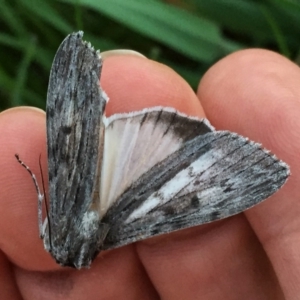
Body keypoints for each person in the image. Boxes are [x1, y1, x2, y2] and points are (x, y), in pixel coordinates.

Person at [0, 48, 297, 299]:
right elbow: (45, 212)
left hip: (117, 198)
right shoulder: (79, 227)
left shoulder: (81, 228)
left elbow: (46, 209)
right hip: (126, 192)